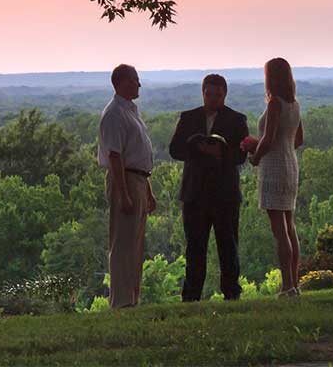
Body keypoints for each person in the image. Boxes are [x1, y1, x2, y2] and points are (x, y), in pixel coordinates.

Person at [168, 73, 249, 301]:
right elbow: (174, 150)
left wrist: (220, 153)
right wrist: (197, 148)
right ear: (202, 93)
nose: (213, 99)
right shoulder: (188, 118)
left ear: (225, 94)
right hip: (195, 194)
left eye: (218, 95)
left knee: (228, 246)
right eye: (209, 94)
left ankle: (232, 293)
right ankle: (191, 296)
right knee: (195, 248)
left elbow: (241, 156)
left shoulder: (236, 120)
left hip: (225, 195)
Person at [97, 63, 155, 308]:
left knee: (135, 243)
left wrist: (148, 191)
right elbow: (115, 157)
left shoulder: (131, 110)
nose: (139, 84)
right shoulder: (114, 114)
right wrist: (124, 194)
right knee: (122, 244)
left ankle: (132, 298)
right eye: (134, 80)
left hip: (138, 180)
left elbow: (138, 154)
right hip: (125, 180)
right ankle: (121, 302)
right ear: (121, 82)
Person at [248, 56, 304, 296]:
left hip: (274, 167)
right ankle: (294, 283)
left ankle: (287, 285)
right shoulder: (295, 104)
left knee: (279, 231)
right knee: (290, 227)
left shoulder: (275, 104)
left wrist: (254, 155)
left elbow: (268, 139)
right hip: (291, 164)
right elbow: (298, 139)